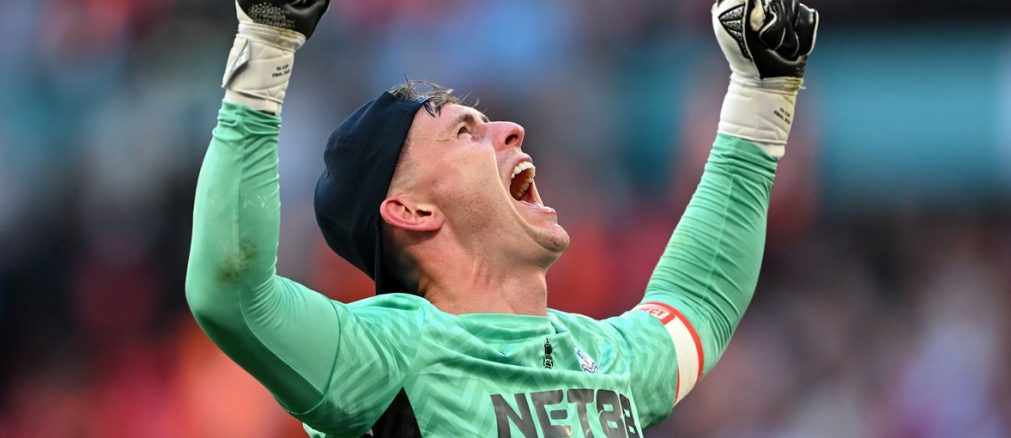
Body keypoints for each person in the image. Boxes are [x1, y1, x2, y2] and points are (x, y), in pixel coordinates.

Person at [185, 0, 819, 436]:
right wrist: (266, 44)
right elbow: (231, 294)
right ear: (410, 210)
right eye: (465, 132)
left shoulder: (602, 357)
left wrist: (763, 90)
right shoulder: (386, 355)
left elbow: (700, 300)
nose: (512, 129)